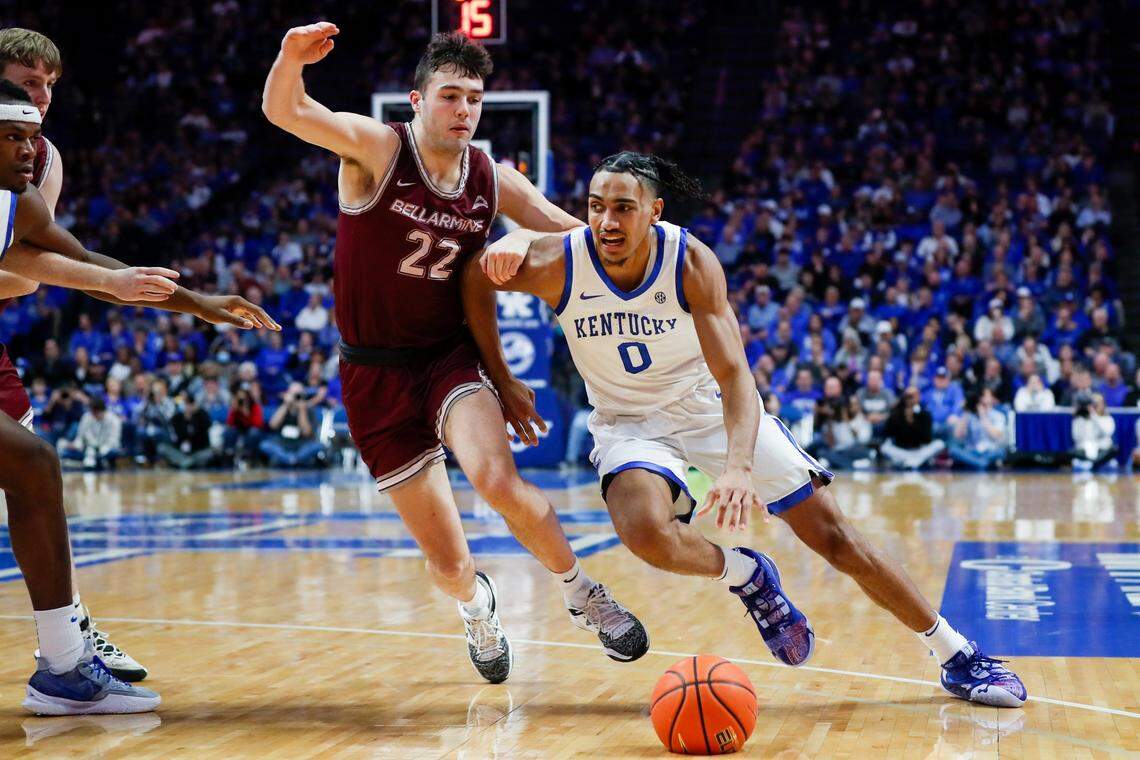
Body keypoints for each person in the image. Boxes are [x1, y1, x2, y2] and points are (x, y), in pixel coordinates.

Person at [464, 151, 1026, 707]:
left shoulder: (689, 262)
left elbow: (735, 377)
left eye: (623, 208)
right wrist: (501, 375)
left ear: (654, 211)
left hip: (708, 408)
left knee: (835, 538)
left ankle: (956, 653)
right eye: (595, 207)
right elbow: (474, 279)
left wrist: (735, 469)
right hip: (628, 422)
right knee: (644, 531)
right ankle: (747, 575)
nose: (607, 221)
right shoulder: (557, 261)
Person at [262, 23, 645, 682]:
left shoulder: (492, 178)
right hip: (373, 375)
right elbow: (286, 111)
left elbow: (572, 232)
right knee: (448, 564)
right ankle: (477, 606)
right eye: (449, 96)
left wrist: (653, 251)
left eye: (473, 98)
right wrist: (290, 59)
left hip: (447, 358)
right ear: (417, 101)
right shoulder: (378, 149)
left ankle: (583, 592)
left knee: (498, 481)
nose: (463, 110)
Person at [0, 69, 278, 713]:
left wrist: (196, 302)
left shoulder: (24, 198)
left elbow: (92, 268)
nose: (27, 150)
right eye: (11, 135)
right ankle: (65, 659)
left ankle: (64, 659)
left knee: (33, 466)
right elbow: (36, 277)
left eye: (30, 135)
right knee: (32, 466)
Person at [880, 387, 947, 470]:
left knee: (939, 444)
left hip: (919, 450)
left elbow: (927, 439)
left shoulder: (924, 413)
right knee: (884, 447)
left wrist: (914, 421)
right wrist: (902, 419)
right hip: (901, 451)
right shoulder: (896, 413)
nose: (910, 399)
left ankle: (910, 462)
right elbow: (888, 433)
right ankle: (914, 462)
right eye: (907, 396)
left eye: (912, 396)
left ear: (918, 397)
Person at [947, 389, 1008, 471]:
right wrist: (966, 410)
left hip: (989, 451)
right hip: (971, 451)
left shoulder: (998, 415)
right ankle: (981, 463)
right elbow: (958, 435)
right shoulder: (969, 415)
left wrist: (983, 416)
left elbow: (996, 435)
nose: (982, 400)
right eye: (981, 397)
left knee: (1001, 452)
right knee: (953, 450)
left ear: (992, 399)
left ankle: (976, 463)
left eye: (985, 396)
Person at [56, 396, 121, 471]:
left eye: (95, 412)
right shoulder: (86, 417)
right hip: (87, 449)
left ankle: (100, 462)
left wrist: (99, 450)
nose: (93, 415)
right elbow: (80, 437)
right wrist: (75, 445)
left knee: (106, 454)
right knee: (63, 449)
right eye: (92, 412)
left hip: (107, 450)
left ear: (101, 410)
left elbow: (113, 442)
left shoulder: (114, 420)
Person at [1071, 393, 1117, 471]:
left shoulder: (1108, 419)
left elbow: (1107, 432)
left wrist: (1094, 416)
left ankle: (1095, 463)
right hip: (1085, 454)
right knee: (1074, 455)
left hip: (1102, 452)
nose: (1095, 406)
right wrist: (1080, 416)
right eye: (1093, 403)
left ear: (1103, 405)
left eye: (1098, 403)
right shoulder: (1080, 420)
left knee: (1113, 451)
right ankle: (1094, 463)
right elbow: (1077, 438)